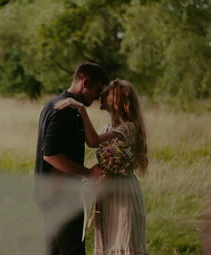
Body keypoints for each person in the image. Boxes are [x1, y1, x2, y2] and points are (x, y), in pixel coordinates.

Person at [54, 79, 149, 255]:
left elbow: (93, 141)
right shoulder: (108, 127)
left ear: (118, 100)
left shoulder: (129, 128)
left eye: (106, 93)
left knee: (124, 241)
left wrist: (81, 109)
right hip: (106, 192)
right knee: (108, 244)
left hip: (123, 191)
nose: (101, 96)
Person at [34, 62, 108, 255]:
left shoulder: (56, 104)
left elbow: (92, 141)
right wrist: (88, 172)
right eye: (98, 90)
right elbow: (50, 155)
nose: (98, 96)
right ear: (87, 82)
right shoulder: (64, 110)